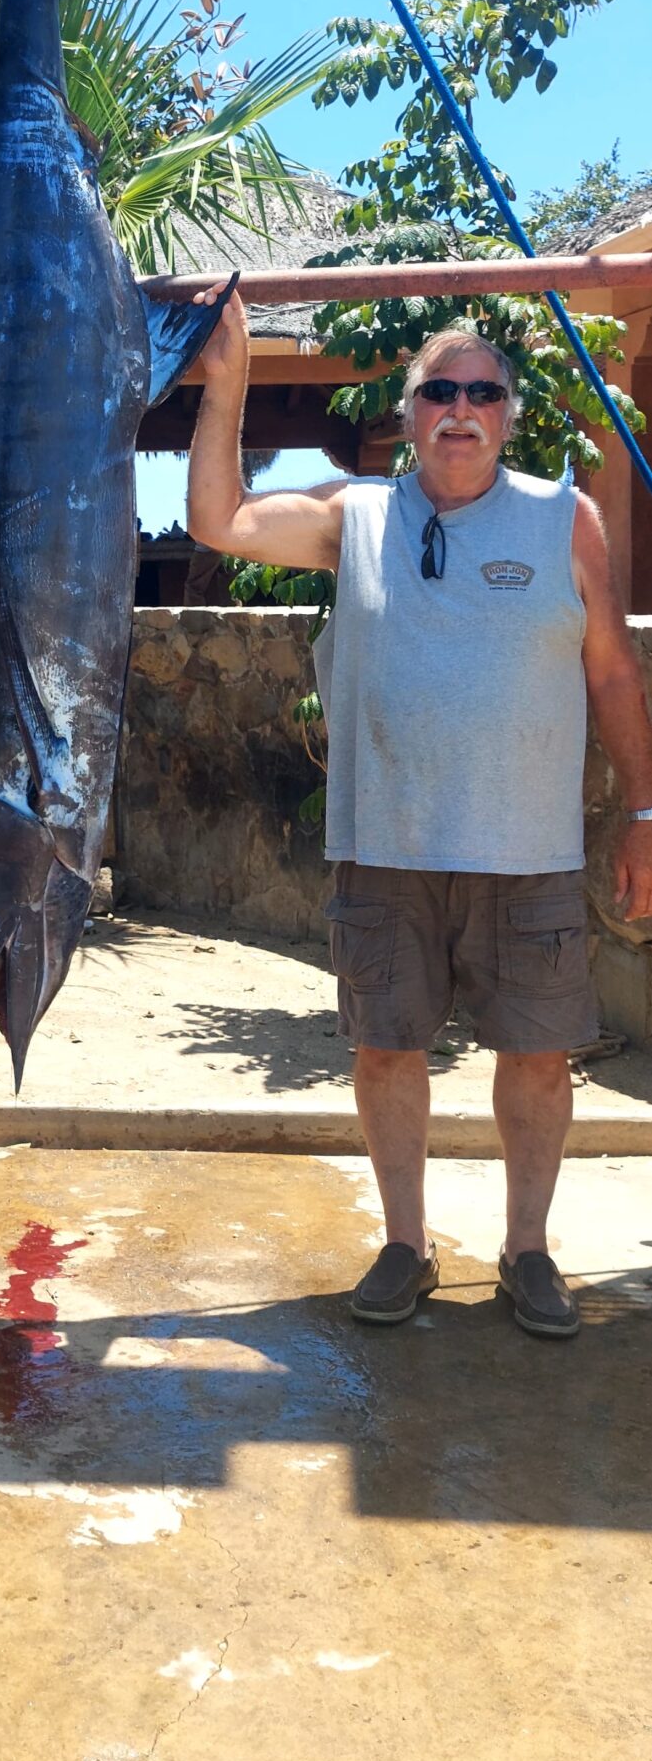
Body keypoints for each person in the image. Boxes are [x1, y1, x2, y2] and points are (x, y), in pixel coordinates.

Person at [189, 299, 652, 1339]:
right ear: (408, 419)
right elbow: (217, 520)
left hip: (525, 850)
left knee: (536, 1056)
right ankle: (406, 1242)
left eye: (481, 391)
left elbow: (615, 672)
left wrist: (644, 812)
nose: (459, 409)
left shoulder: (561, 517)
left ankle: (527, 1251)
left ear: (507, 415)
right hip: (385, 846)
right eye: (438, 391)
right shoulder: (355, 516)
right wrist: (227, 383)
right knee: (386, 1050)